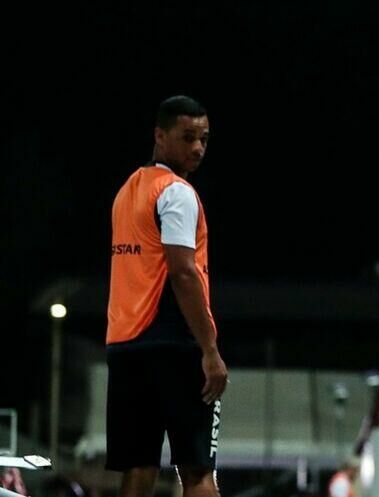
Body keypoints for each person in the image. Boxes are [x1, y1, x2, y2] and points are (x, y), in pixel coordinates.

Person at [105, 96, 227, 497]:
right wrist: (209, 349)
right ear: (160, 136)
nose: (197, 148)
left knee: (138, 468)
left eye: (204, 139)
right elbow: (182, 271)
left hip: (126, 349)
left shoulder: (127, 192)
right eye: (188, 136)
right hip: (176, 344)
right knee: (197, 472)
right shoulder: (177, 193)